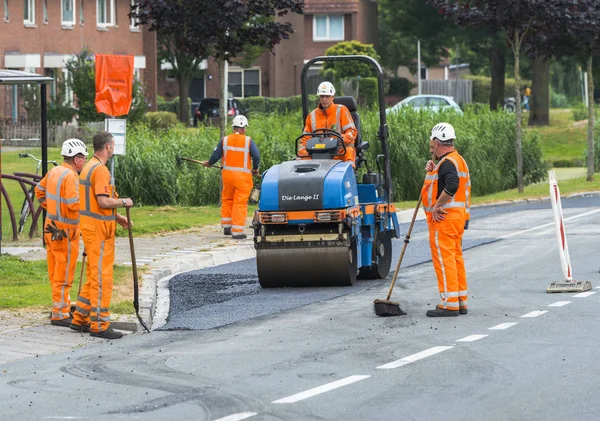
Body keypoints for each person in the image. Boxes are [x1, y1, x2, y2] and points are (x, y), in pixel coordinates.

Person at [70, 131, 134, 339]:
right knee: (102, 278)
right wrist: (124, 202)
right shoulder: (100, 171)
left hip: (92, 228)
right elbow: (103, 201)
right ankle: (99, 325)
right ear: (107, 147)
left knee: (93, 275)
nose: (113, 148)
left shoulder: (88, 167)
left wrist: (117, 218)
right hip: (99, 232)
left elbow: (94, 203)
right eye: (112, 145)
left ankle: (80, 318)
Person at [35, 139, 88, 327]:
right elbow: (74, 203)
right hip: (65, 233)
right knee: (64, 274)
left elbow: (39, 191)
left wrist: (52, 210)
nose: (84, 162)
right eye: (83, 158)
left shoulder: (54, 171)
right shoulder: (72, 176)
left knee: (55, 271)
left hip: (51, 229)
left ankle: (59, 307)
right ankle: (61, 313)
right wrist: (90, 209)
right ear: (77, 159)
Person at [422, 123, 471, 317]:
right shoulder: (456, 160)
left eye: (432, 143)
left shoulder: (448, 163)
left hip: (444, 219)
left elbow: (452, 184)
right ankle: (460, 300)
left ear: (436, 141)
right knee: (455, 257)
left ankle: (449, 303)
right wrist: (433, 169)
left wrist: (437, 206)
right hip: (457, 218)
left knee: (444, 260)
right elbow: (446, 181)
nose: (431, 146)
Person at [201, 115, 260, 240]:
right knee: (239, 203)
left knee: (227, 199)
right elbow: (256, 156)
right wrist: (255, 169)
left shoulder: (225, 140)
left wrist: (210, 163)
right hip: (243, 178)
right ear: (243, 128)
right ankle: (237, 231)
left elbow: (215, 155)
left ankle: (227, 227)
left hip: (227, 177)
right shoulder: (248, 141)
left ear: (233, 127)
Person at [298, 81, 358, 165]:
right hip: (317, 152)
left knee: (349, 152)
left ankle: (348, 175)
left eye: (327, 96)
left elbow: (352, 132)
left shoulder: (342, 110)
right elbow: (305, 138)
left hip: (338, 151)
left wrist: (338, 139)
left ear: (332, 97)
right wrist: (302, 152)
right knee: (302, 156)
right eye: (322, 96)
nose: (324, 99)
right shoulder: (312, 116)